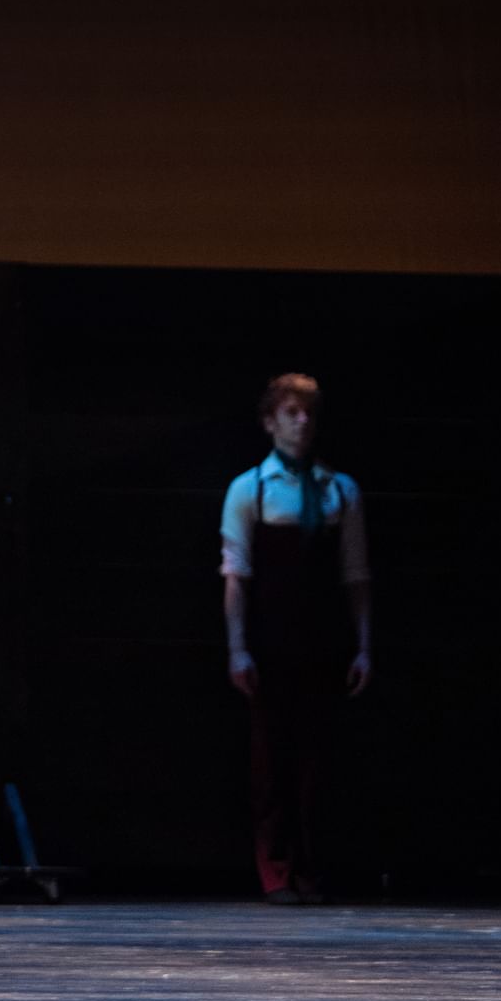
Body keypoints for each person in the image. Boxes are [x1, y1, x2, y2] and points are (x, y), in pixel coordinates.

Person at [221, 372, 372, 905]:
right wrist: (238, 648)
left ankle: (313, 867)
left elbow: (355, 575)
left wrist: (363, 645)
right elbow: (236, 576)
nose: (301, 422)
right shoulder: (250, 489)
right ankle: (276, 869)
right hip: (272, 642)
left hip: (322, 640)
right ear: (270, 422)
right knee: (271, 762)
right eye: (291, 412)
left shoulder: (339, 490)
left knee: (318, 763)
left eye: (308, 413)